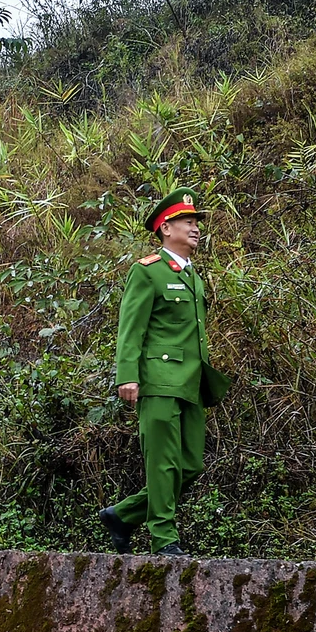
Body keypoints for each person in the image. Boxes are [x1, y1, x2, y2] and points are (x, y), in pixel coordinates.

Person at [100, 189, 219, 557]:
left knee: (191, 464)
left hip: (192, 383)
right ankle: (163, 539)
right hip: (159, 379)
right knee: (163, 462)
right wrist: (127, 374)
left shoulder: (193, 276)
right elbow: (130, 327)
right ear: (166, 228)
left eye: (196, 222)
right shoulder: (147, 271)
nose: (195, 228)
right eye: (188, 221)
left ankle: (123, 515)